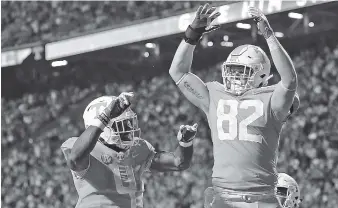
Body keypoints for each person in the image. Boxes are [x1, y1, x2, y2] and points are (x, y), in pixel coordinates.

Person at [169, 3, 300, 208]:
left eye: (243, 71)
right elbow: (177, 72)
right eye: (234, 69)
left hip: (261, 196)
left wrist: (269, 36)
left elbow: (290, 80)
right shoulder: (215, 95)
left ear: (262, 75)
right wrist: (193, 33)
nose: (236, 76)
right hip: (224, 196)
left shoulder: (271, 99)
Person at [60, 92, 198, 208]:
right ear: (103, 126)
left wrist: (185, 143)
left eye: (128, 122)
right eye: (121, 124)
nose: (128, 128)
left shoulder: (137, 148)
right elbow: (75, 159)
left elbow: (178, 163)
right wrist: (105, 115)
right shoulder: (84, 148)